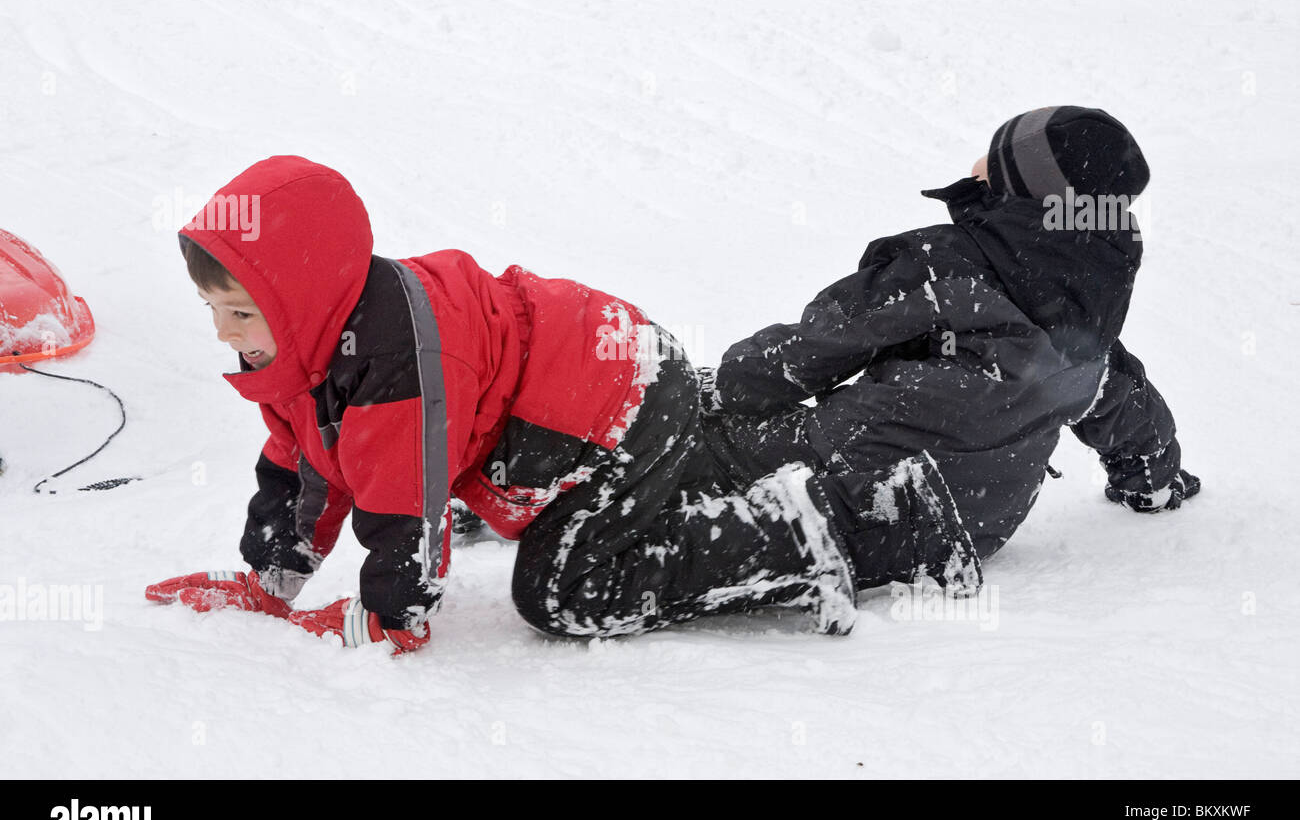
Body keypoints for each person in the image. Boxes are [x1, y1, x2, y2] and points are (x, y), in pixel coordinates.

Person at [147, 155, 893, 651]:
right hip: (598, 377)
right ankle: (711, 482)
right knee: (530, 521)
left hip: (620, 403)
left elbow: (405, 511)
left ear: (302, 297)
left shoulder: (394, 361)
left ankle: (795, 534)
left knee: (565, 593)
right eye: (213, 308)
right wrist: (268, 584)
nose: (223, 333)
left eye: (241, 312)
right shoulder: (315, 342)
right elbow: (309, 460)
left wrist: (381, 619)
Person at [697, 106, 1200, 574]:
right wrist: (1152, 479)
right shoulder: (1085, 318)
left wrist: (721, 390)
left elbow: (815, 347)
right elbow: (1122, 399)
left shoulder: (944, 265)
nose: (978, 164)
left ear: (1022, 184)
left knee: (699, 441)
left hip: (855, 473)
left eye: (998, 159)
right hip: (975, 523)